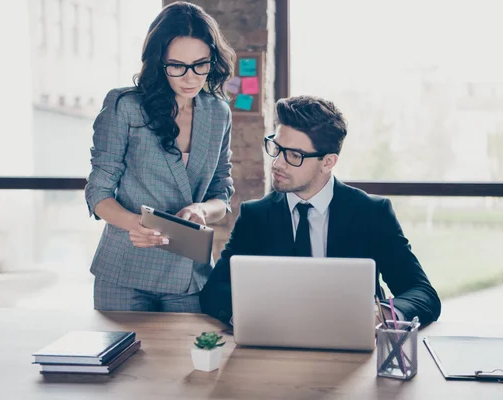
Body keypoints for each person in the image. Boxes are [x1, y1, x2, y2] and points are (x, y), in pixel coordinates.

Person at [200, 95, 441, 325]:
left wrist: (383, 315)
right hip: (274, 345)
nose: (277, 163)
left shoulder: (371, 213)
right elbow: (215, 292)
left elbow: (422, 293)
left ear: (328, 162)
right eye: (277, 148)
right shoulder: (255, 216)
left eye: (294, 155)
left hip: (352, 349)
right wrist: (250, 317)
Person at [85, 2, 235, 312]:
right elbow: (98, 192)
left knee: (188, 360)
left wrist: (203, 210)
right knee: (125, 361)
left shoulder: (219, 113)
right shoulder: (125, 105)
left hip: (187, 276)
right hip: (124, 272)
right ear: (158, 62)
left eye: (200, 64)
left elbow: (222, 192)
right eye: (177, 65)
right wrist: (133, 223)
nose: (190, 77)